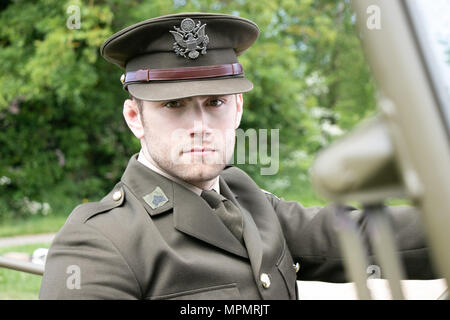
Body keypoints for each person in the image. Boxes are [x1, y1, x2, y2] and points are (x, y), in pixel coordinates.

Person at [39, 12, 435, 300]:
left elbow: (363, 236)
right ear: (134, 118)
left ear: (238, 110)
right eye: (173, 105)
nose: (200, 124)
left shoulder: (246, 200)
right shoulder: (98, 242)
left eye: (215, 102)